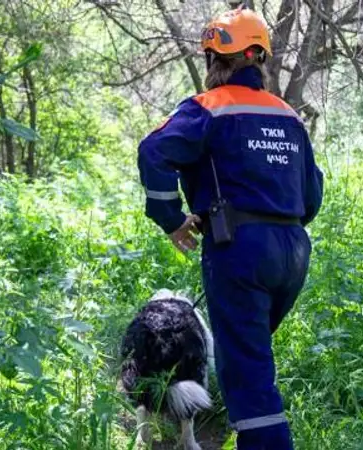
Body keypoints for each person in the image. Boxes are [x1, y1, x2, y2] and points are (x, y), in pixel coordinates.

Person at [136, 6, 323, 449]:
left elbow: (153, 152)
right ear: (259, 58)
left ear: (213, 62)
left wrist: (172, 220)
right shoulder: (288, 116)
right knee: (251, 360)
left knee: (247, 371)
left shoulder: (207, 108)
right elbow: (312, 196)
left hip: (239, 249)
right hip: (293, 251)